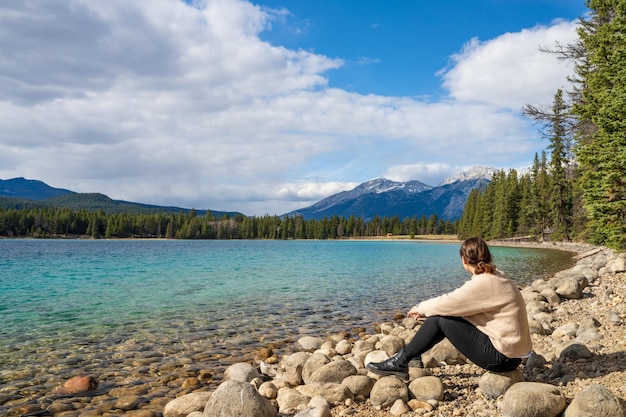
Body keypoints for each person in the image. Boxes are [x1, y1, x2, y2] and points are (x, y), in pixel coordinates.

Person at [366, 236, 532, 381]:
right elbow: (460, 309)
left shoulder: (484, 282)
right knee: (442, 316)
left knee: (439, 319)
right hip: (513, 353)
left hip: (502, 358)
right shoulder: (497, 276)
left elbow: (448, 301)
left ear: (464, 260)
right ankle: (413, 356)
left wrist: (419, 308)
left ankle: (399, 362)